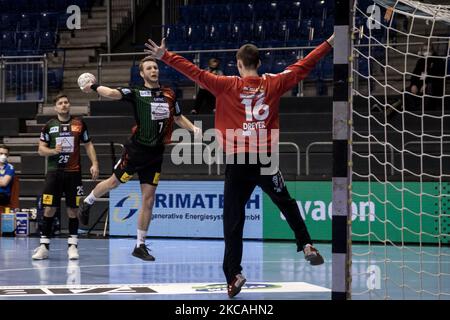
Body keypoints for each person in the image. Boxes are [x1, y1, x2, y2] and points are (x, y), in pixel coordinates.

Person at [144, 34, 334, 298]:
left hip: (238, 161)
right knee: (286, 203)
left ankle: (234, 275)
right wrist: (331, 42)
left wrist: (165, 56)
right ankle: (306, 244)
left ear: (238, 63)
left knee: (233, 221)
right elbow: (305, 65)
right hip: (266, 160)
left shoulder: (226, 84)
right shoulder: (274, 82)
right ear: (258, 62)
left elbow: (195, 73)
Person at [78, 56, 201, 261]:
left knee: (149, 199)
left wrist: (193, 128)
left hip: (156, 154)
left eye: (155, 67)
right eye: (149, 68)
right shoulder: (136, 92)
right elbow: (112, 93)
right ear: (142, 74)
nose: (154, 70)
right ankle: (88, 201)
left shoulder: (169, 93)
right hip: (136, 151)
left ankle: (139, 245)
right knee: (113, 183)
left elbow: (178, 117)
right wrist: (94, 86)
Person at [32, 94, 99, 260]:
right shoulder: (49, 126)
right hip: (54, 173)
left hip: (73, 173)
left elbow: (88, 144)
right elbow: (41, 149)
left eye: (66, 102)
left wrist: (95, 163)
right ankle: (44, 247)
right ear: (55, 107)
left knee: (73, 209)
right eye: (60, 103)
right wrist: (54, 151)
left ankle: (72, 246)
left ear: (69, 105)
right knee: (49, 208)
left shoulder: (79, 124)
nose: (64, 105)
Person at [407, 43, 445, 111]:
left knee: (429, 87)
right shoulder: (421, 61)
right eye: (424, 50)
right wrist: (413, 84)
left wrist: (426, 83)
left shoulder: (438, 60)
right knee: (405, 91)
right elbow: (414, 74)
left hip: (433, 85)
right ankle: (414, 110)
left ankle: (425, 110)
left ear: (432, 50)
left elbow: (438, 76)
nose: (426, 51)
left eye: (428, 49)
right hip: (420, 84)